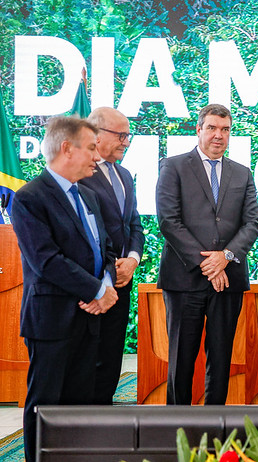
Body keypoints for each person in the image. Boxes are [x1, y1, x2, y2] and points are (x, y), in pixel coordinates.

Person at [11, 116, 119, 461]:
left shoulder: (88, 196)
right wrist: (95, 291)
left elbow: (105, 249)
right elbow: (46, 261)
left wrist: (105, 285)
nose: (96, 156)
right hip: (52, 322)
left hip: (88, 322)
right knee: (45, 407)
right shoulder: (29, 198)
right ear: (66, 148)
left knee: (80, 408)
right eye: (90, 148)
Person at [156, 104, 258, 405]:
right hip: (184, 280)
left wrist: (225, 256)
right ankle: (176, 431)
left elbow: (252, 222)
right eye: (212, 128)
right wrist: (209, 264)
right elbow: (168, 221)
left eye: (225, 130)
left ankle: (215, 427)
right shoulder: (173, 166)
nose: (219, 135)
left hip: (228, 280)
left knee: (222, 356)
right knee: (182, 358)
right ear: (198, 129)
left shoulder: (242, 173)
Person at [79, 106, 144, 404]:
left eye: (127, 136)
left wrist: (132, 259)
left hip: (122, 281)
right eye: (120, 135)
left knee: (112, 352)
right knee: (86, 358)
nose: (126, 142)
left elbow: (133, 225)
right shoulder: (79, 175)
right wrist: (107, 271)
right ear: (96, 134)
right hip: (90, 284)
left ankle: (105, 414)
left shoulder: (125, 175)